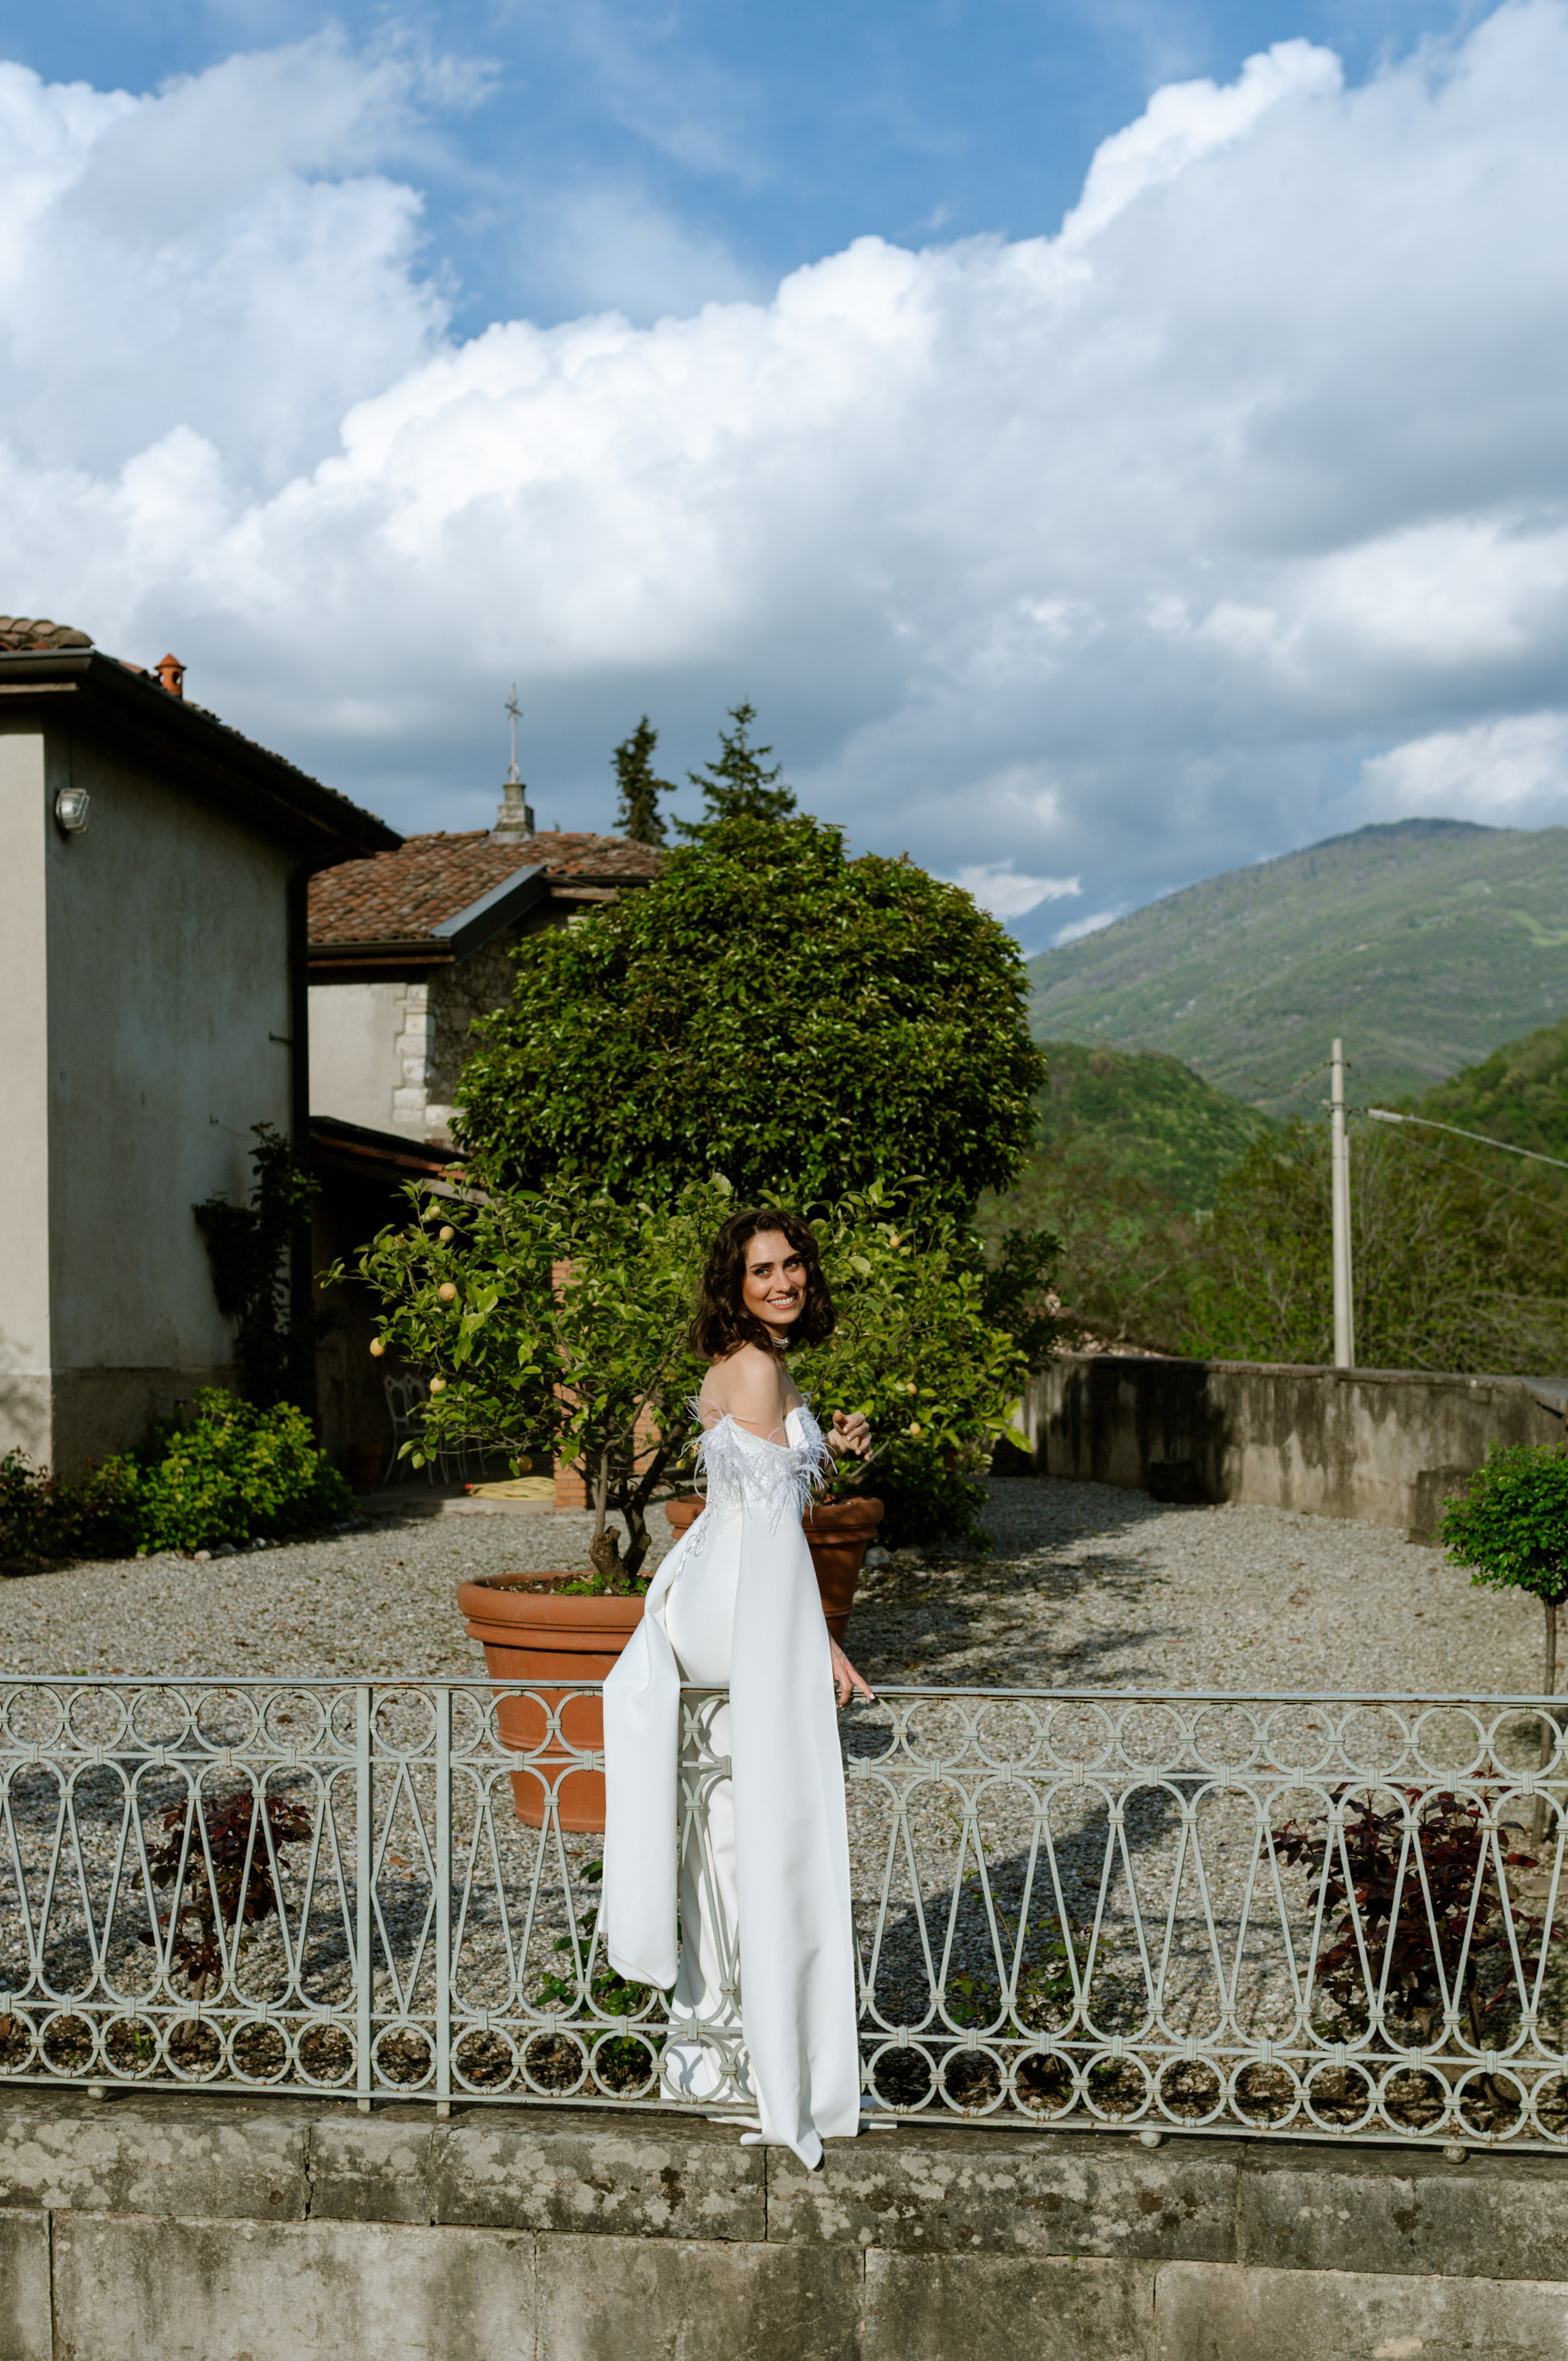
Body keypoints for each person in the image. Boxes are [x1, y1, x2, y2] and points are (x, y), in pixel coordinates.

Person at [601, 1206, 875, 2169]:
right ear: (735, 1280)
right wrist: (814, 1642)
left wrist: (838, 1447)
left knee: (732, 1834)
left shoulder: (753, 1361)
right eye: (763, 1269)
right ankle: (769, 2059)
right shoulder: (757, 1367)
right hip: (736, 1591)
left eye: (794, 1264)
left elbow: (773, 1488)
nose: (784, 1281)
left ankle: (719, 2043)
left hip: (716, 1578)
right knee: (775, 1818)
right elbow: (770, 1527)